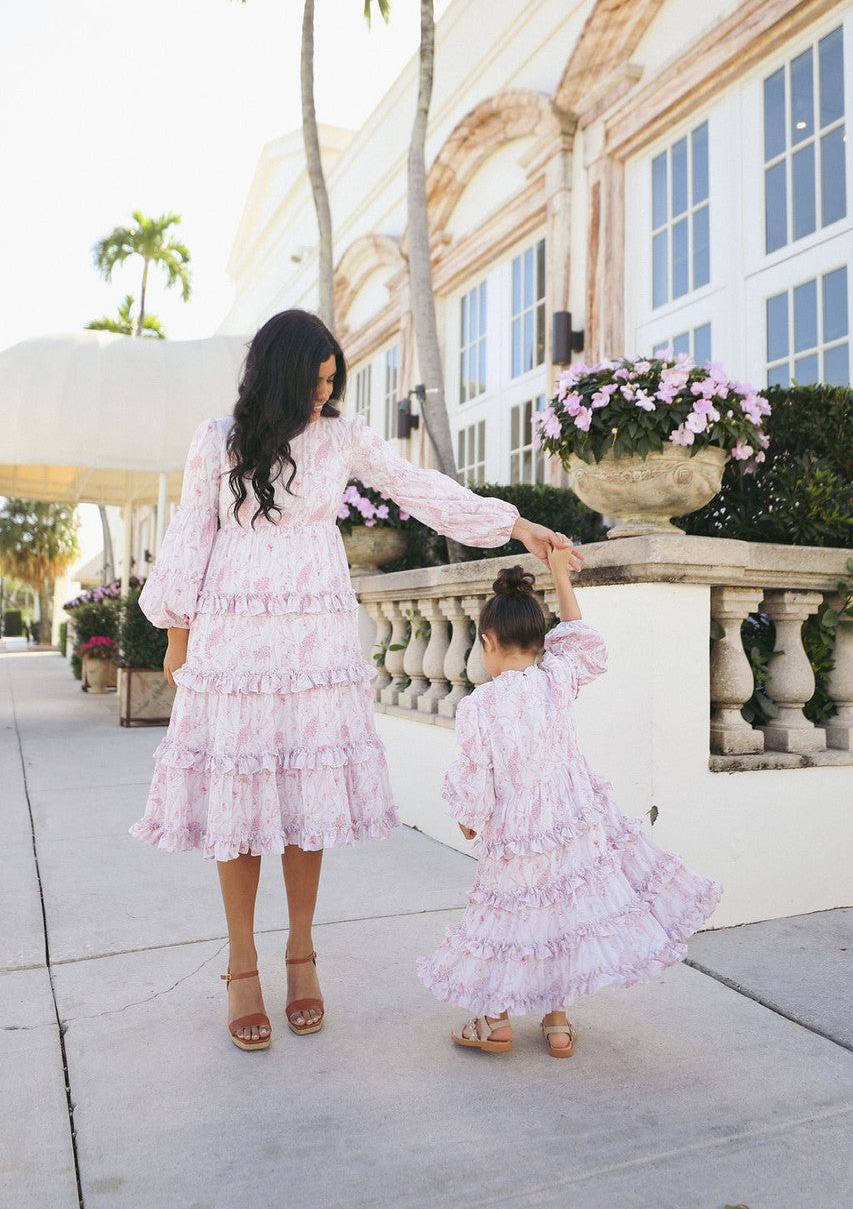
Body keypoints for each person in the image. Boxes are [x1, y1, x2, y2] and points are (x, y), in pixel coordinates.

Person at [130, 309, 572, 1052]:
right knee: (238, 799)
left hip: (316, 640)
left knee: (307, 798)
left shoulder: (341, 438)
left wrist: (515, 525)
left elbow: (417, 486)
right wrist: (177, 639)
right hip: (234, 640)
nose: (320, 396)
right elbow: (189, 538)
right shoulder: (217, 442)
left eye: (331, 383)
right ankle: (242, 963)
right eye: (312, 381)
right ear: (278, 374)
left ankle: (300, 952)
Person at [417, 552, 722, 1056]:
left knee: (510, 915)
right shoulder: (556, 679)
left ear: (488, 643)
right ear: (541, 644)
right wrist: (560, 574)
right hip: (574, 822)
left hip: (518, 831)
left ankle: (495, 1021)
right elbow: (579, 634)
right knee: (561, 914)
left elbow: (477, 775)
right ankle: (557, 1023)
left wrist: (469, 821)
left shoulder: (479, 708)